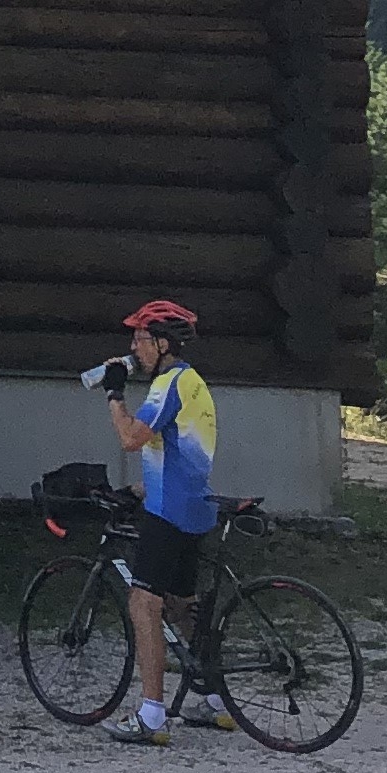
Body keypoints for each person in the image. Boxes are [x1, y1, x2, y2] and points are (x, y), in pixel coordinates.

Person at [100, 299, 228, 744]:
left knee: (144, 604)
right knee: (181, 604)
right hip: (192, 504)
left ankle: (152, 715)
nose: (134, 347)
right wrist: (141, 488)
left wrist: (114, 394)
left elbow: (133, 438)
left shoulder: (170, 383)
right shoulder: (193, 383)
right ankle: (215, 699)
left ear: (162, 343)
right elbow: (176, 449)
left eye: (140, 339)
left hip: (169, 512)